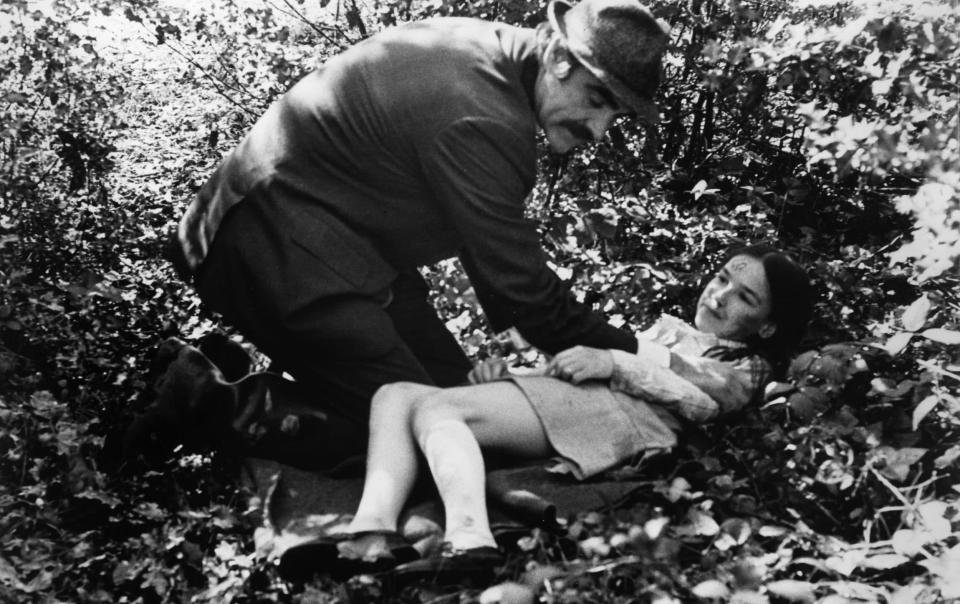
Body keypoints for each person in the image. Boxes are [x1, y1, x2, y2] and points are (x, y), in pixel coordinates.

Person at [165, 0, 672, 453]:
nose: (598, 130)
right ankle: (206, 398)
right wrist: (654, 362)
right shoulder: (484, 114)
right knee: (427, 428)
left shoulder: (492, 55)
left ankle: (228, 366)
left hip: (342, 250)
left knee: (464, 399)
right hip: (270, 247)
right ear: (561, 58)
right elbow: (530, 300)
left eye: (616, 114)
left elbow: (501, 278)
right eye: (597, 100)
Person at [277, 244, 813, 582]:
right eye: (722, 277)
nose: (719, 296)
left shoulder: (747, 366)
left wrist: (612, 359)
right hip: (579, 400)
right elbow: (587, 363)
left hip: (620, 420)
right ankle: (370, 534)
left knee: (440, 409)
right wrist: (517, 373)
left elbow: (706, 399)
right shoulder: (670, 327)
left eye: (744, 297)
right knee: (394, 395)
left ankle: (470, 541)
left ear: (767, 326)